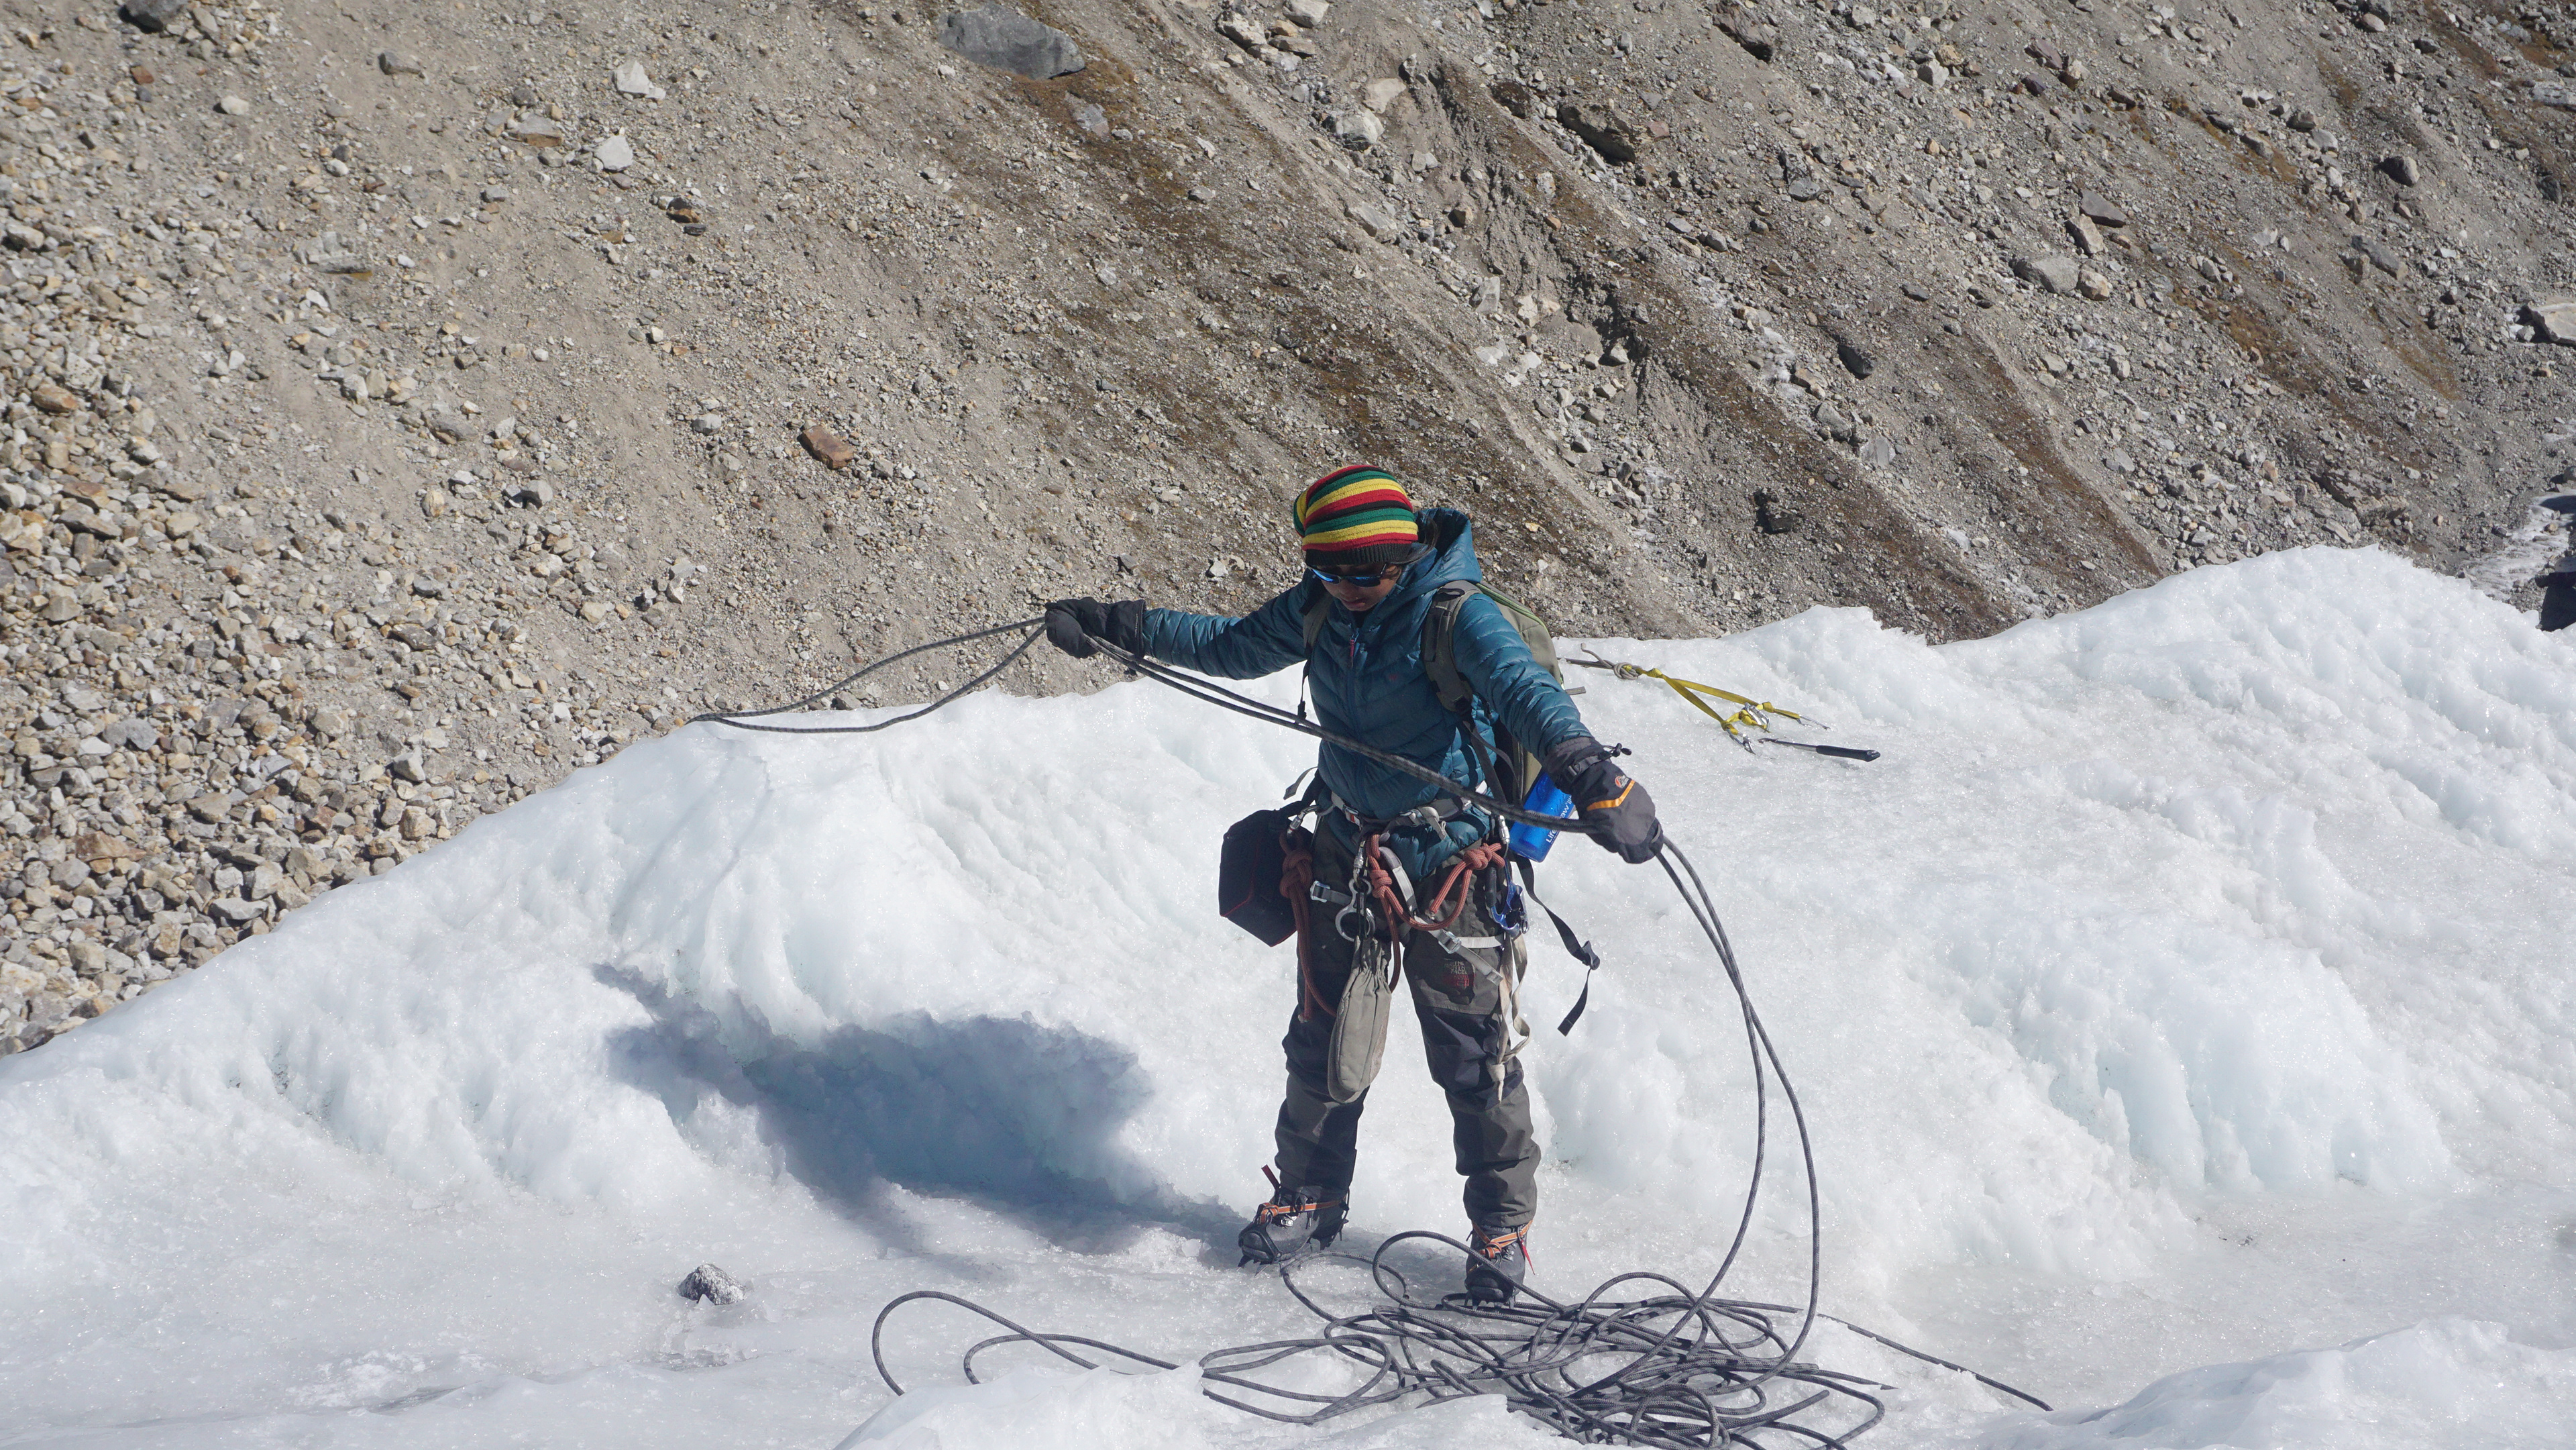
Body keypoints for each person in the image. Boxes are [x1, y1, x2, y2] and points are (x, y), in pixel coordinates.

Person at [1044, 465, 1662, 1302]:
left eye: (1369, 573)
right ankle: (1311, 1194)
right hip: (1348, 855)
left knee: (1474, 1059)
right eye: (1334, 572)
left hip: (1454, 868)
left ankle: (1502, 1225)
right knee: (1323, 1040)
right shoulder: (1320, 607)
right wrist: (1124, 627)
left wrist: (1593, 776)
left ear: (1403, 557)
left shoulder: (1458, 616)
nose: (1354, 589)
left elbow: (1528, 695)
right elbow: (1228, 645)